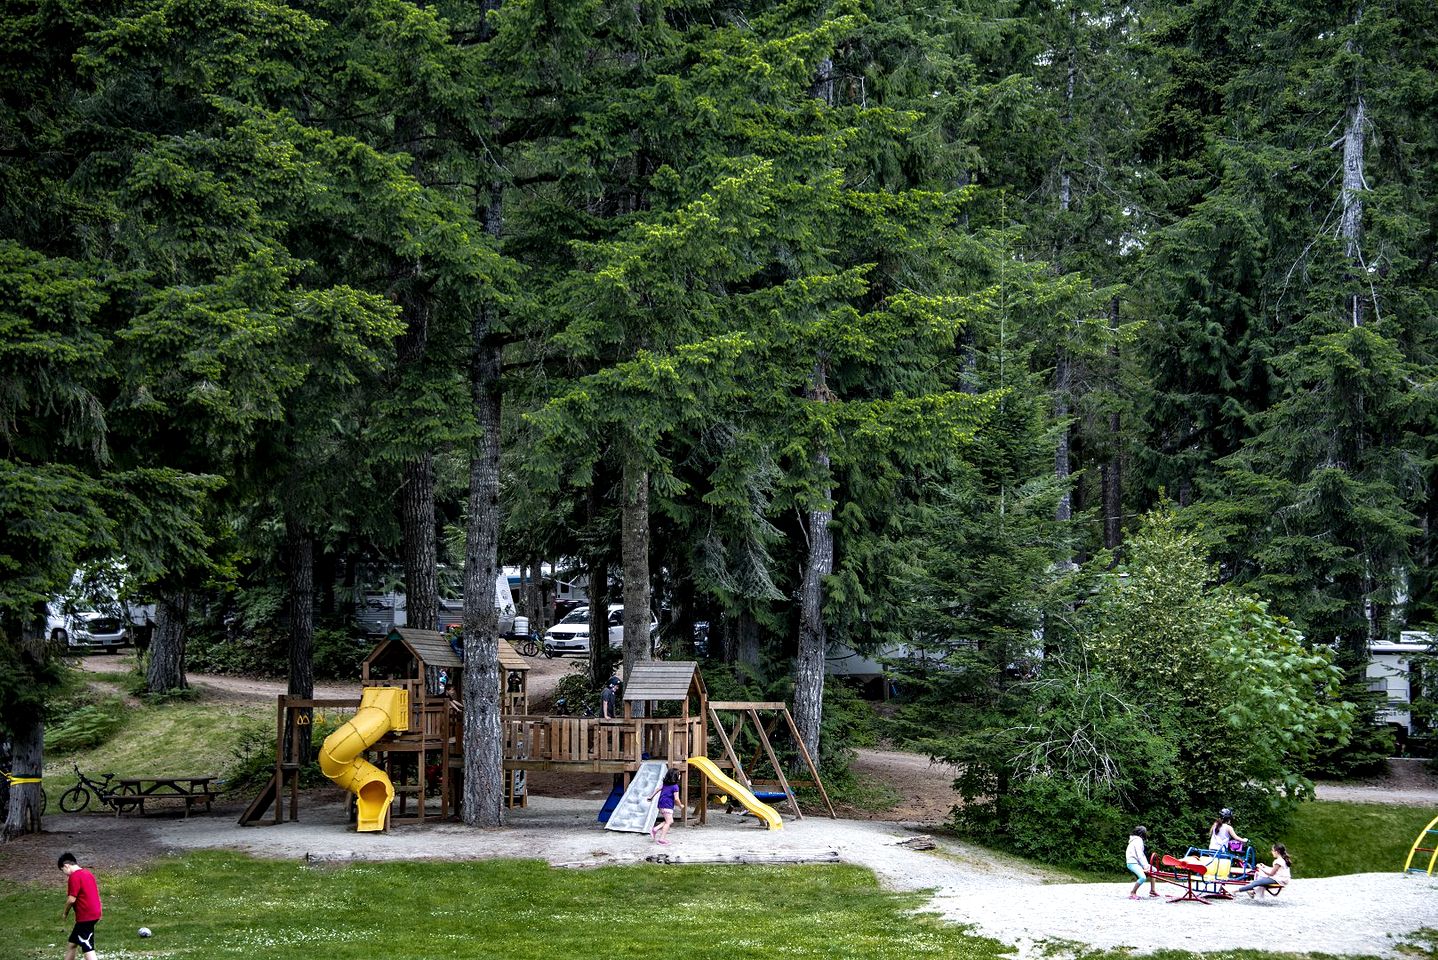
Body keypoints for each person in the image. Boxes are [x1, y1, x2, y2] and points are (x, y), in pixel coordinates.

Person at [58, 851, 102, 960]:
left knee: (87, 946)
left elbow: (72, 899)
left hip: (85, 917)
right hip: (94, 913)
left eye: (63, 870)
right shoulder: (88, 873)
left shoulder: (74, 876)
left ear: (66, 865)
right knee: (72, 944)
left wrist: (65, 913)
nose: (65, 874)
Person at [647, 770, 681, 845]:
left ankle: (655, 829)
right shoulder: (675, 787)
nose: (680, 776)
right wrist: (680, 805)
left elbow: (657, 789)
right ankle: (661, 839)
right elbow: (676, 799)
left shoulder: (665, 784)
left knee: (670, 820)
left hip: (661, 804)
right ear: (675, 777)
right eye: (679, 774)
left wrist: (651, 797)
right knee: (668, 822)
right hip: (667, 805)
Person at [1125, 826, 1159, 899]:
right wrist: (1145, 866)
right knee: (1142, 877)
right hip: (1132, 863)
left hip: (1136, 862)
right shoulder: (1138, 840)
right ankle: (1133, 893)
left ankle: (1152, 890)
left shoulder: (1134, 840)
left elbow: (1140, 856)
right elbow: (1140, 855)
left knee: (1154, 870)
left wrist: (1145, 866)